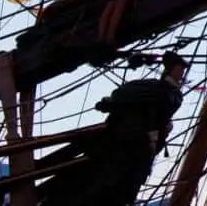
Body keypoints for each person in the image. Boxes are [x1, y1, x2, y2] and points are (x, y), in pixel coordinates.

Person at [51, 52, 187, 205]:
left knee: (109, 186)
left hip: (133, 154)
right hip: (127, 152)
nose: (182, 74)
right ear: (172, 69)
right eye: (180, 69)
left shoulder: (167, 93)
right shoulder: (160, 91)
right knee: (104, 185)